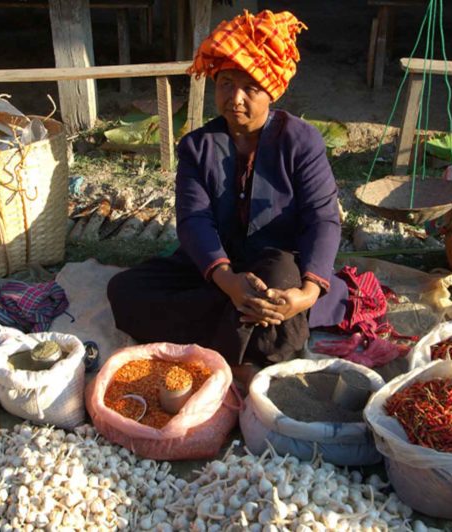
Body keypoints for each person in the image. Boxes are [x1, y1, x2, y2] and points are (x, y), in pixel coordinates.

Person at [107, 9, 347, 372]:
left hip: (277, 265)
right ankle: (256, 337)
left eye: (250, 87)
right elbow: (193, 220)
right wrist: (227, 280)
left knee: (278, 282)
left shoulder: (301, 141)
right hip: (217, 268)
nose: (235, 98)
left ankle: (251, 329)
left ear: (272, 92)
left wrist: (307, 293)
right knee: (124, 291)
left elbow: (323, 218)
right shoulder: (196, 147)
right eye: (225, 84)